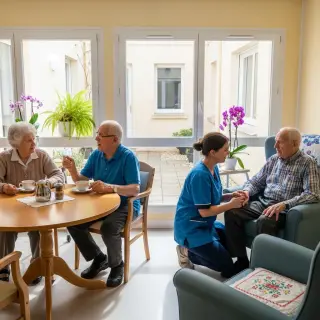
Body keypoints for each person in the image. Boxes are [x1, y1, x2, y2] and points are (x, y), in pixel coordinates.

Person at [225, 127, 320, 272]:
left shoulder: (308, 163)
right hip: (263, 201)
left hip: (283, 209)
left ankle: (262, 267)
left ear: (294, 144)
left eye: (280, 143)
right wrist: (246, 192)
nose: (275, 146)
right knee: (231, 211)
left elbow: (313, 193)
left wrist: (285, 204)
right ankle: (242, 260)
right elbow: (256, 181)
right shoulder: (274, 159)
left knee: (265, 221)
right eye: (275, 142)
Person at [63, 120, 140, 287]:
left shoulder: (128, 157)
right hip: (99, 203)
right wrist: (72, 170)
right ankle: (99, 258)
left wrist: (110, 188)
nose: (96, 138)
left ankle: (117, 265)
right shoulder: (96, 154)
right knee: (74, 223)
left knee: (109, 228)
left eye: (101, 135)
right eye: (97, 134)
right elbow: (81, 181)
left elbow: (135, 189)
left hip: (124, 204)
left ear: (115, 139)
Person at [174, 132, 246, 278]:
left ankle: (202, 249)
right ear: (213, 152)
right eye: (225, 150)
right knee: (227, 268)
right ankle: (186, 251)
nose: (228, 152)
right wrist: (231, 205)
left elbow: (213, 197)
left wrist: (230, 196)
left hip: (206, 224)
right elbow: (204, 212)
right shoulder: (200, 174)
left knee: (232, 248)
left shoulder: (214, 168)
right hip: (191, 228)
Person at [0, 122, 64, 284]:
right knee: (5, 231)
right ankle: (3, 265)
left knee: (39, 229)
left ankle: (38, 265)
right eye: (29, 140)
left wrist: (47, 182)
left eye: (34, 139)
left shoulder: (41, 155)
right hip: (12, 209)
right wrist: (4, 186)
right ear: (16, 143)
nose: (34, 143)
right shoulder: (4, 158)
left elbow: (59, 175)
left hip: (37, 206)